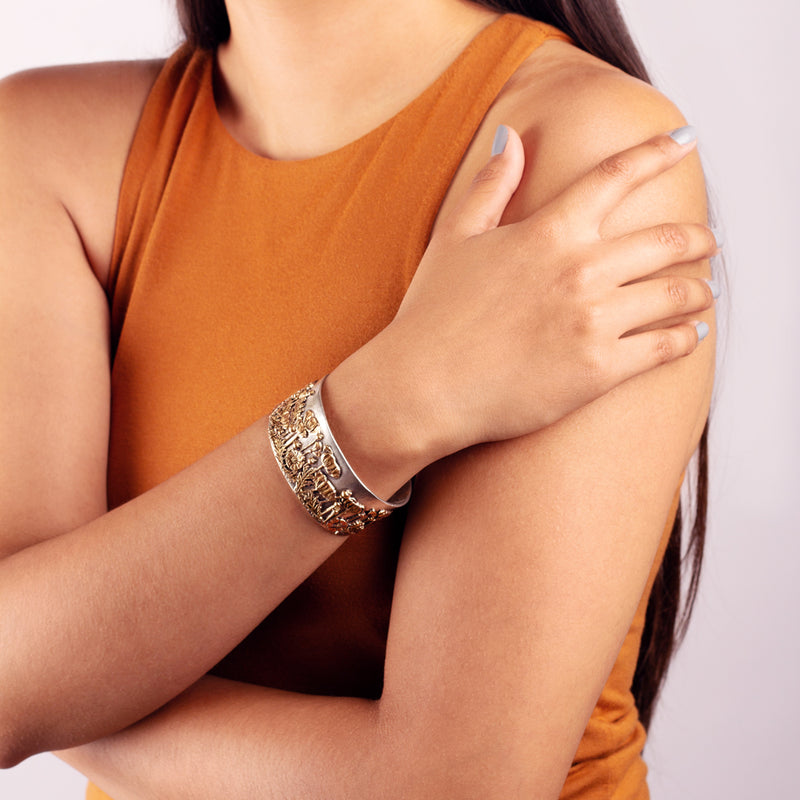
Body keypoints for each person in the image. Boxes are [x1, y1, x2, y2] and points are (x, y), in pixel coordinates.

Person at [0, 0, 718, 797]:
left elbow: (449, 787)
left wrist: (57, 690)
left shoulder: (585, 152)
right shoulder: (42, 144)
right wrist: (382, 411)